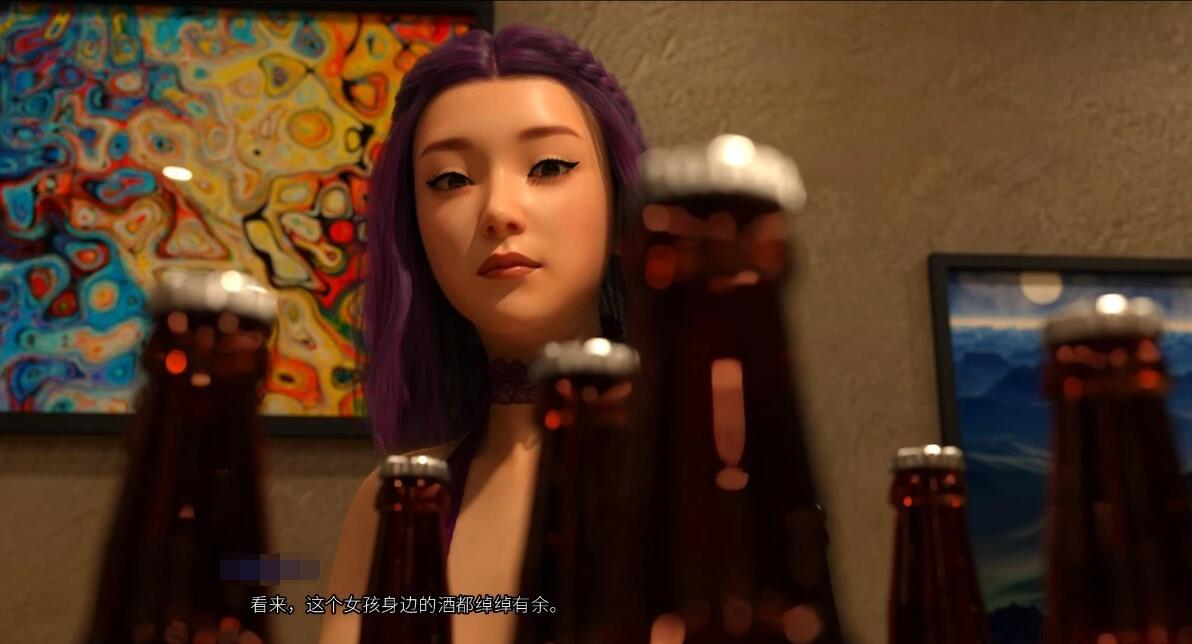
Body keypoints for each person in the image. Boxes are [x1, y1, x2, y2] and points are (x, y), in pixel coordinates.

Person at [319, 24, 647, 644]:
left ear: (622, 200)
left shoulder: (706, 474)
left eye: (549, 166)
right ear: (413, 228)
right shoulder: (394, 504)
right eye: (450, 179)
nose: (498, 210)